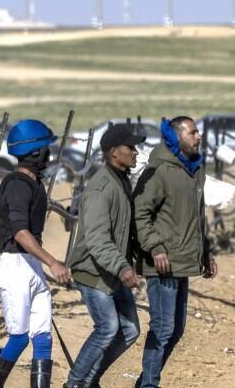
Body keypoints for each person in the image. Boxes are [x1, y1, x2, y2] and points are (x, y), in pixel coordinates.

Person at [134, 116, 217, 388]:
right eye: (193, 132)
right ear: (178, 136)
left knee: (176, 329)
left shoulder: (195, 170)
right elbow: (140, 213)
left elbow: (197, 216)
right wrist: (155, 247)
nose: (199, 137)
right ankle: (149, 384)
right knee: (162, 328)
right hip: (162, 263)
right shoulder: (159, 171)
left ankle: (145, 381)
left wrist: (205, 251)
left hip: (183, 261)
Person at [64, 124, 146, 388]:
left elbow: (124, 231)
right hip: (93, 271)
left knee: (131, 330)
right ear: (114, 152)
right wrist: (123, 268)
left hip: (111, 270)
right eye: (130, 147)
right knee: (107, 328)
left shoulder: (121, 181)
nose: (135, 152)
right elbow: (98, 239)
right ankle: (74, 383)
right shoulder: (101, 187)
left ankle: (89, 379)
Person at [0, 119, 71, 388]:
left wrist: (42, 265)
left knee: (43, 336)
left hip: (31, 265)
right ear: (36, 152)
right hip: (15, 266)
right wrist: (53, 262)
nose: (49, 154)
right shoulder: (16, 185)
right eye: (46, 149)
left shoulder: (34, 183)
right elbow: (20, 232)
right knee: (18, 337)